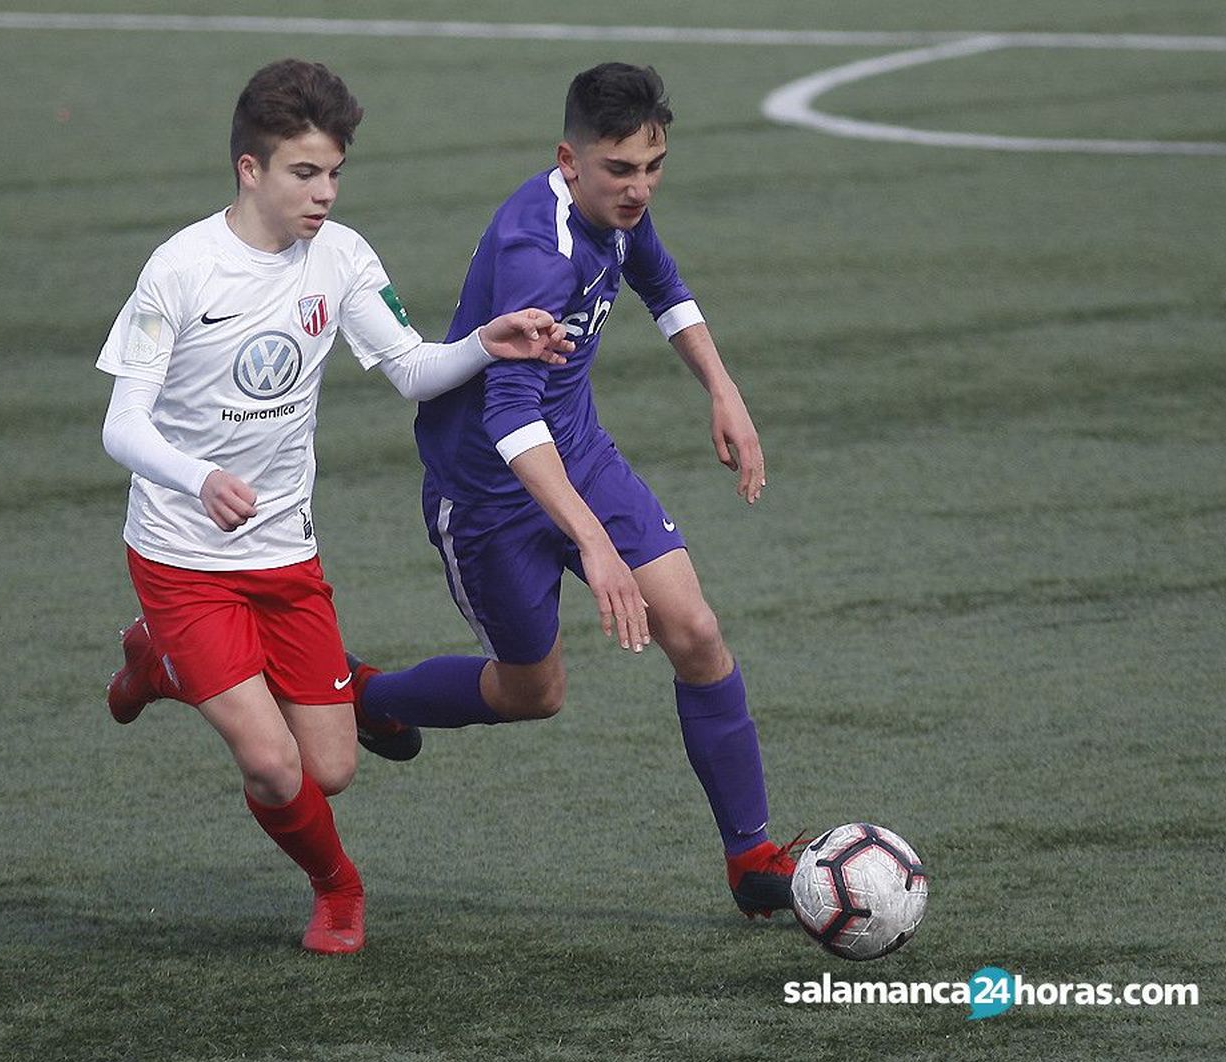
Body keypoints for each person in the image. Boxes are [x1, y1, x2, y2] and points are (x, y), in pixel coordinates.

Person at [95, 59, 570, 955]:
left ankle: (160, 667)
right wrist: (198, 478)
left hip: (283, 554)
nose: (324, 193)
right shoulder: (180, 271)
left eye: (334, 173)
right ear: (250, 169)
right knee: (274, 767)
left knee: (333, 766)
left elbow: (409, 369)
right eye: (304, 173)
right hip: (182, 555)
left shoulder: (341, 256)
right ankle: (338, 889)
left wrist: (485, 342)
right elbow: (121, 426)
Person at [349, 62, 802, 918]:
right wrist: (594, 543)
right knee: (534, 692)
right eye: (620, 170)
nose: (639, 188)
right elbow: (509, 420)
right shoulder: (539, 256)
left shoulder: (619, 213)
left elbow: (663, 286)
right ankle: (369, 697)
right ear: (570, 160)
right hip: (488, 490)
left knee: (698, 632)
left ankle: (751, 857)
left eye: (653, 166)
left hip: (581, 453)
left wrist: (723, 388)